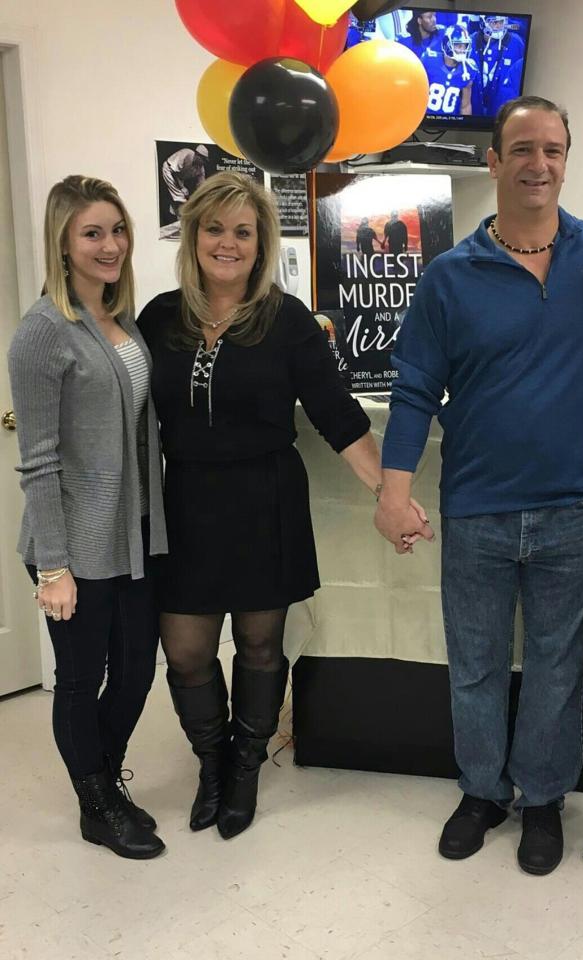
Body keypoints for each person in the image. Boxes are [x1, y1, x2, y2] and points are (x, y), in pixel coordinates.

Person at [374, 96, 583, 876]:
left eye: (552, 149)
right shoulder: (451, 277)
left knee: (556, 666)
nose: (537, 164)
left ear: (565, 159)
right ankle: (483, 792)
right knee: (476, 664)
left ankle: (543, 799)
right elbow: (415, 389)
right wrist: (391, 491)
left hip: (573, 506)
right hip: (478, 507)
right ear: (493, 161)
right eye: (521, 149)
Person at [138, 172, 428, 841]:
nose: (227, 243)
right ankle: (210, 763)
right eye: (215, 228)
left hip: (265, 498)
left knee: (261, 645)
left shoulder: (287, 319)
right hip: (184, 500)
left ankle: (244, 767)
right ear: (193, 236)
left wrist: (391, 495)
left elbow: (336, 416)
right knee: (184, 651)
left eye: (243, 231)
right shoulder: (158, 318)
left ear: (261, 242)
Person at [7, 176, 167, 859]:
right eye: (91, 233)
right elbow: (37, 460)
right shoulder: (43, 332)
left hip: (131, 534)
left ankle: (101, 779)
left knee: (135, 671)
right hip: (72, 541)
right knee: (80, 678)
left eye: (117, 230)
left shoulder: (121, 320)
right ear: (63, 245)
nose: (110, 245)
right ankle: (97, 803)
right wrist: (53, 566)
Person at [422, 25, 480, 118]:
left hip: (450, 121)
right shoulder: (428, 60)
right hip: (424, 118)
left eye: (465, 46)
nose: (462, 50)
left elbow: (465, 106)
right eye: (458, 45)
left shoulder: (468, 70)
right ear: (447, 44)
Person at [472, 15, 526, 115]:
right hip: (473, 107)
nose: (498, 26)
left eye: (501, 22)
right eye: (494, 22)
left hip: (502, 110)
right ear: (483, 23)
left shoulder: (516, 43)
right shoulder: (470, 41)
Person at [161, 144, 209, 222]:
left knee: (182, 198)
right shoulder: (187, 153)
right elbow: (174, 172)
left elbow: (201, 187)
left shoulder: (200, 168)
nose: (203, 162)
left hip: (179, 178)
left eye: (204, 160)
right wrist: (182, 188)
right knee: (180, 197)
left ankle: (177, 219)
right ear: (197, 155)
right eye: (202, 159)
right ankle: (180, 220)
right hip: (169, 171)